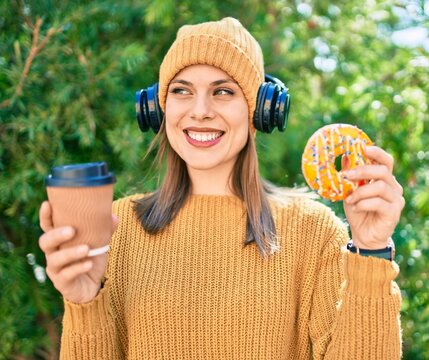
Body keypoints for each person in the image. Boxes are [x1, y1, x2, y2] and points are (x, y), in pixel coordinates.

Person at [39, 17, 405, 359]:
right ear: (158, 108)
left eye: (223, 92)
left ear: (260, 111)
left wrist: (371, 252)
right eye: (182, 91)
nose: (200, 111)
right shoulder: (116, 227)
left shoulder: (312, 231)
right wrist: (84, 302)